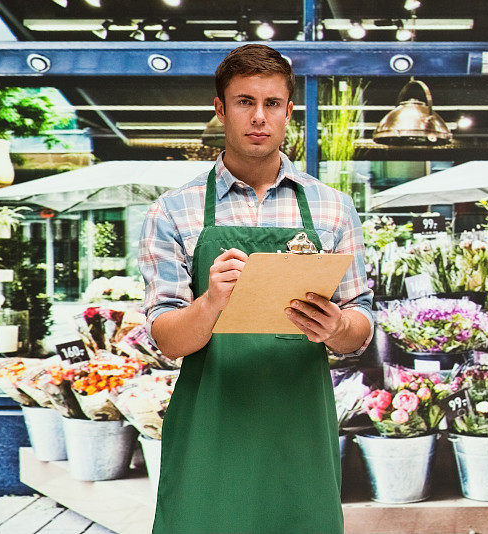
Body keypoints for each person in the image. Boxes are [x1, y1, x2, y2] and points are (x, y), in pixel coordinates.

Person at [138, 44, 373, 534]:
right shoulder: (173, 212)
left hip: (299, 428)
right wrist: (212, 302)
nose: (259, 117)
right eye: (245, 102)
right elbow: (167, 338)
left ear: (289, 111)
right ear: (220, 109)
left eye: (272, 104)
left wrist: (336, 326)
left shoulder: (333, 210)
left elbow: (360, 329)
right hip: (211, 423)